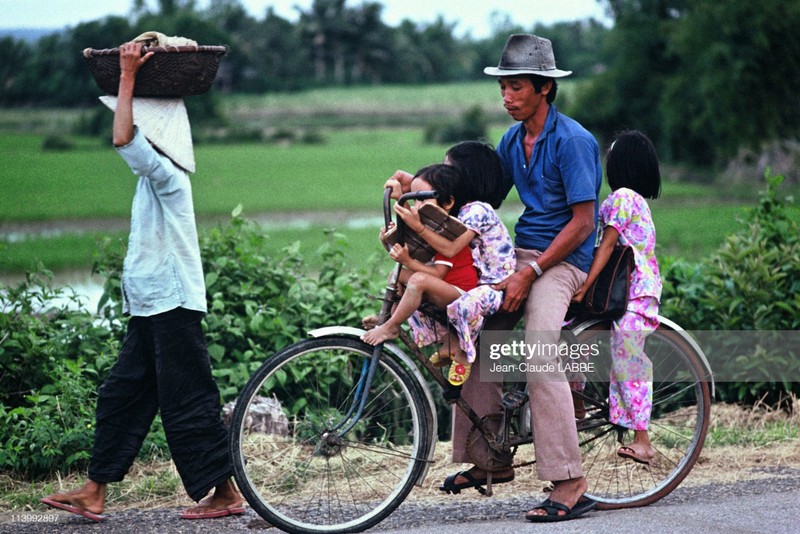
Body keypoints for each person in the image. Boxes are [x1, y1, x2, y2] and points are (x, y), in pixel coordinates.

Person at [40, 41, 242, 521]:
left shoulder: (167, 173)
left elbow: (123, 140)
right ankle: (94, 490)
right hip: (150, 305)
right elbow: (128, 140)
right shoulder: (152, 179)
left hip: (172, 304)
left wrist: (128, 75)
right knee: (122, 395)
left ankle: (227, 493)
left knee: (188, 400)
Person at [439, 34, 603, 522]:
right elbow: (479, 199)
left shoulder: (573, 141)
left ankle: (570, 481)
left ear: (544, 89)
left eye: (516, 87)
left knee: (539, 347)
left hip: (564, 261)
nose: (507, 96)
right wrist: (423, 192)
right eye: (503, 87)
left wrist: (530, 272)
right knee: (478, 331)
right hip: (523, 254)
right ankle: (490, 460)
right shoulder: (512, 141)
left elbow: (582, 223)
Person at [363, 159, 516, 387]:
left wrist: (406, 259)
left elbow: (435, 275)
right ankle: (391, 317)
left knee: (418, 280)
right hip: (444, 287)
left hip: (459, 292)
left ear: (448, 202)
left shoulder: (450, 234)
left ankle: (393, 326)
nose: (416, 205)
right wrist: (397, 210)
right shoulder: (434, 228)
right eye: (413, 199)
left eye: (422, 199)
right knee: (398, 275)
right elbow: (411, 235)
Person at [572, 130, 663, 465]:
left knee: (627, 353)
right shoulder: (625, 200)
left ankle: (643, 438)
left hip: (634, 292)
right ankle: (576, 402)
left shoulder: (624, 198)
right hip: (619, 291)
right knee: (567, 333)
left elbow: (607, 246)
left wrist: (584, 285)